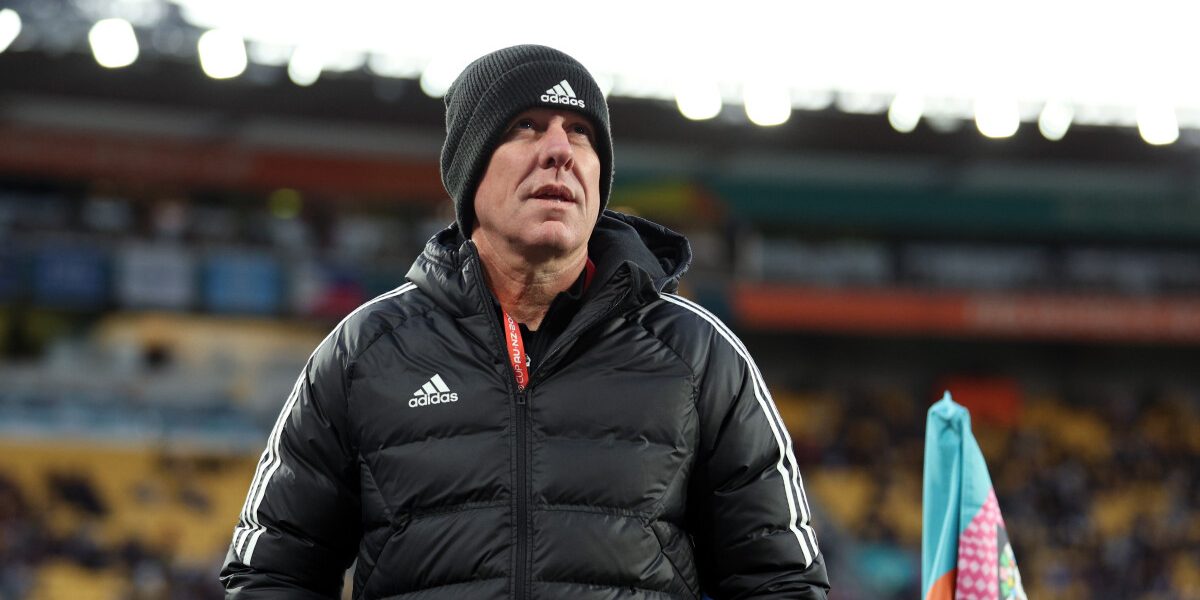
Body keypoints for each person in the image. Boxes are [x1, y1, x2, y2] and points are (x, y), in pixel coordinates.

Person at [220, 44, 829, 599]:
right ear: (469, 170)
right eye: (525, 126)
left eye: (582, 134)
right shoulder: (364, 351)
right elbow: (271, 573)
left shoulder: (699, 356)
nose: (560, 150)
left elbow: (780, 581)